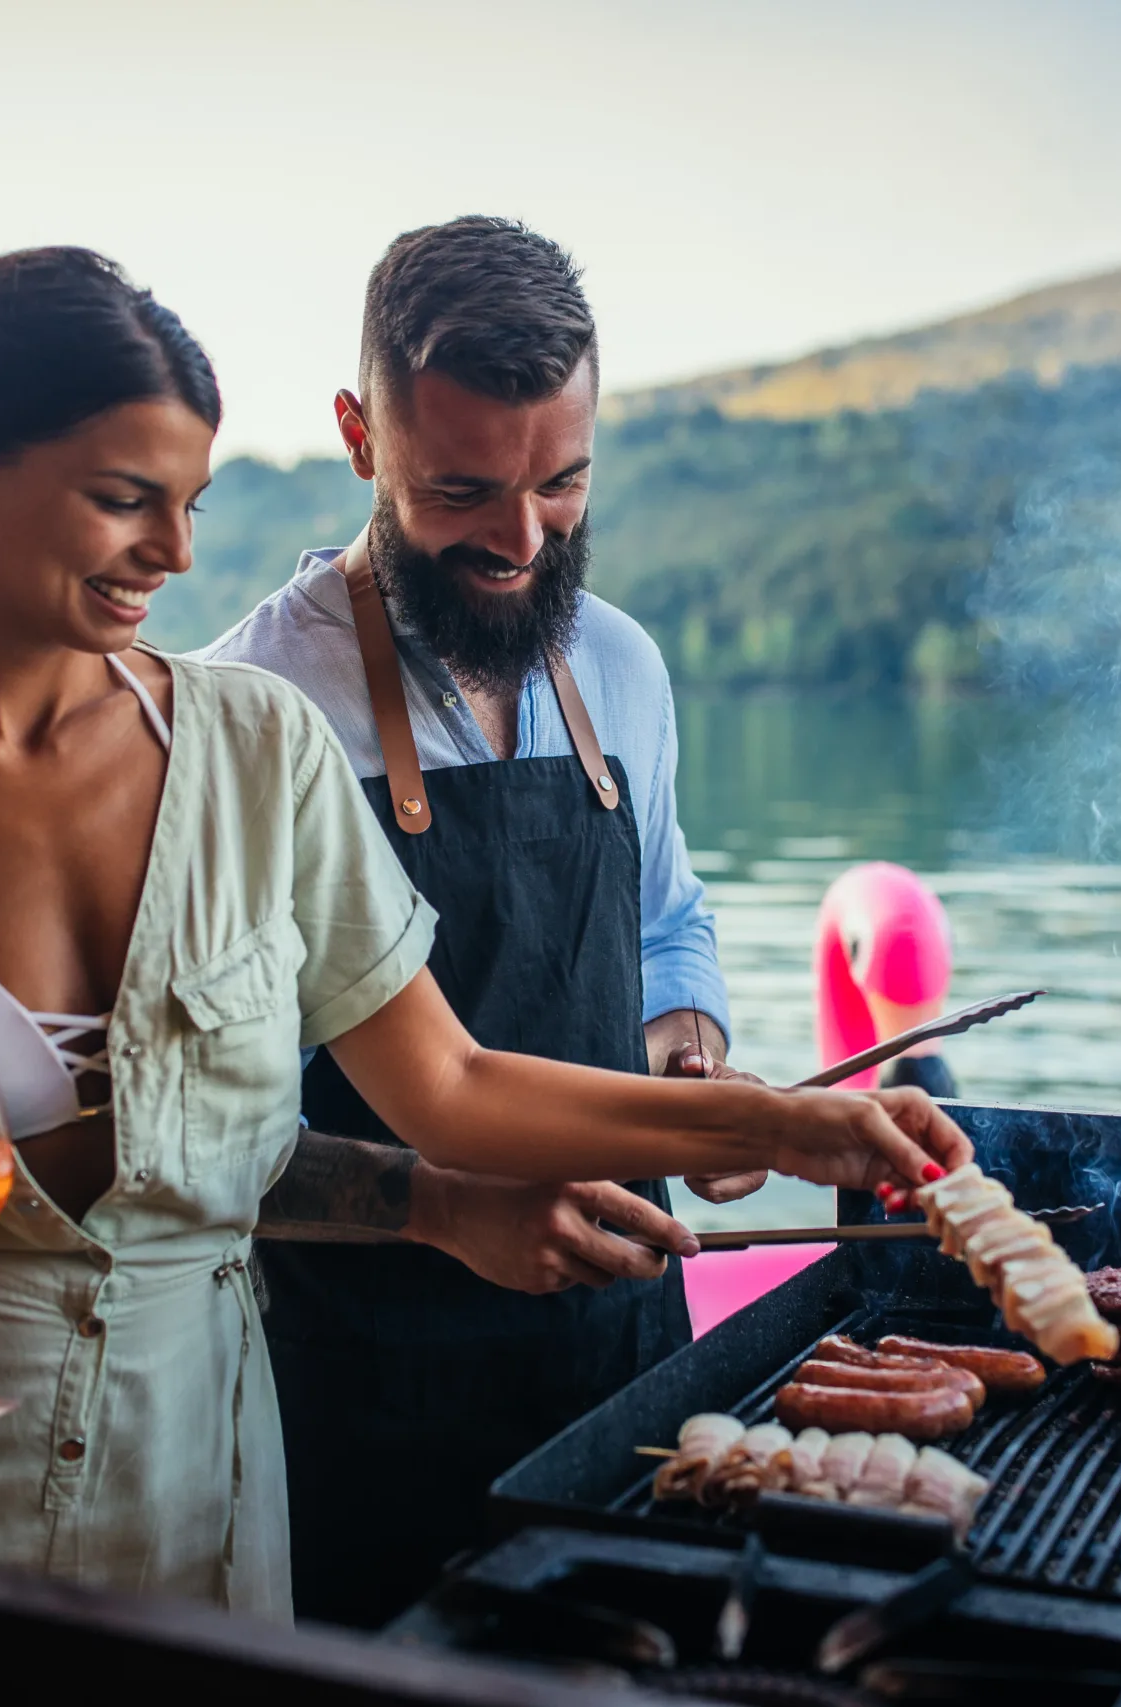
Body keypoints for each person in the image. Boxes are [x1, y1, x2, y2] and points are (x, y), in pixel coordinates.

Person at [0, 246, 968, 1706]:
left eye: (189, 503)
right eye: (124, 499)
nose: (176, 552)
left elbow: (463, 1068)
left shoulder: (255, 746)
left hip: (203, 1462)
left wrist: (769, 1115)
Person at [199, 216, 764, 1627]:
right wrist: (445, 1209)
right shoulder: (251, 715)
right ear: (357, 436)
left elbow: (667, 917)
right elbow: (204, 1140)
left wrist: (686, 1053)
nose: (521, 540)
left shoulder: (623, 666)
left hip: (624, 1361)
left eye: (562, 482)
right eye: (462, 491)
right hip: (362, 1391)